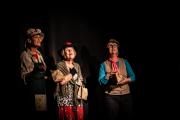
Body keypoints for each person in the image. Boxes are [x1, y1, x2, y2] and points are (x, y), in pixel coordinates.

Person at [98, 38, 136, 120]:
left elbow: (133, 77)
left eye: (115, 45)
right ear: (107, 49)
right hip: (111, 96)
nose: (113, 47)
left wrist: (125, 80)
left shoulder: (124, 61)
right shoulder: (103, 64)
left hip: (126, 95)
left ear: (118, 48)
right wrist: (108, 75)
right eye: (110, 46)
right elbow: (101, 82)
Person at [51, 41, 87, 120]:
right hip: (65, 97)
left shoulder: (77, 65)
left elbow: (80, 81)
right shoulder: (60, 65)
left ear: (74, 52)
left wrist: (78, 81)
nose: (70, 51)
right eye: (67, 50)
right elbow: (62, 81)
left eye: (71, 50)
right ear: (63, 53)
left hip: (77, 98)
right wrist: (72, 73)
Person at [20, 28, 48, 119]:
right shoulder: (25, 54)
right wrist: (35, 71)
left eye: (40, 37)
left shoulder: (39, 54)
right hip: (32, 89)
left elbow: (43, 71)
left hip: (41, 88)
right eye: (36, 37)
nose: (39, 39)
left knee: (42, 111)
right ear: (29, 40)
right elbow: (25, 76)